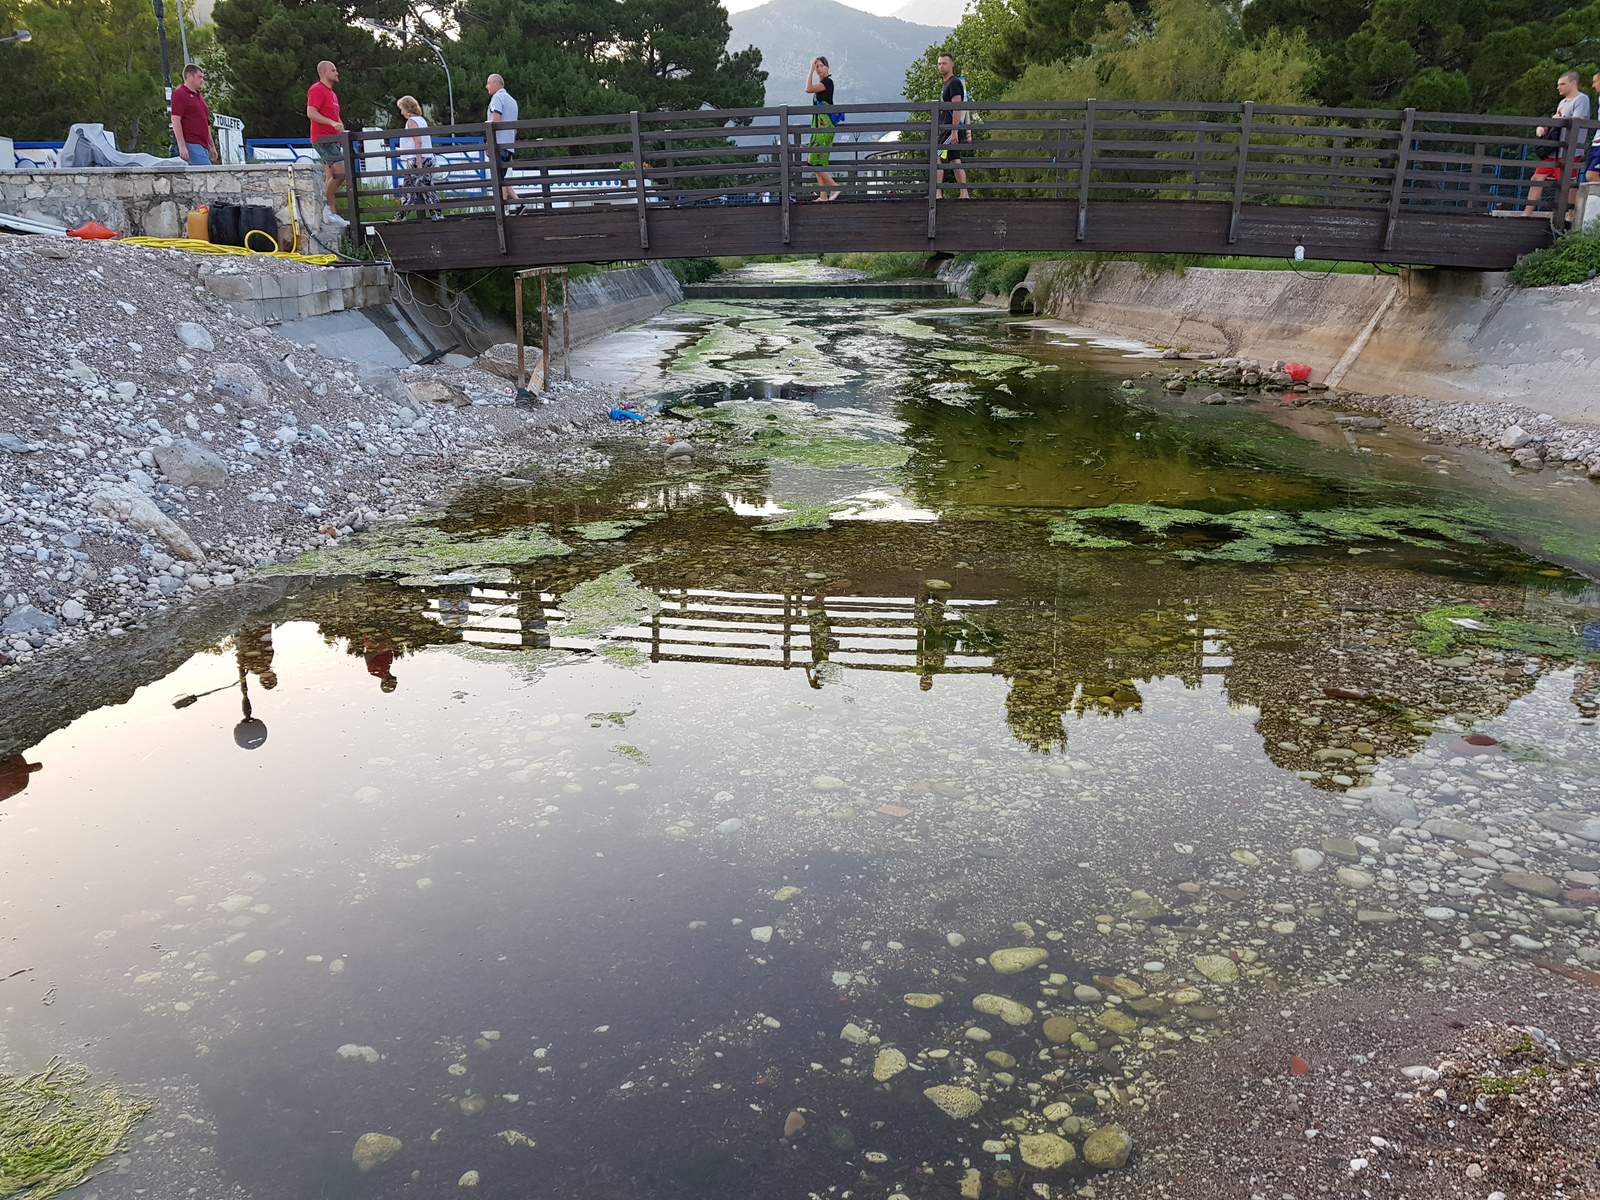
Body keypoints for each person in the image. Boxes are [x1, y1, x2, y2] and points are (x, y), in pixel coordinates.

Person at [1524, 70, 1590, 215]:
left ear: (1573, 83)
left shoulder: (1581, 99)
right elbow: (1556, 121)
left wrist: (1556, 120)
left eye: (1562, 84)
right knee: (1537, 177)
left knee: (1568, 182)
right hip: (1554, 149)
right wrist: (1544, 127)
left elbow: (1577, 121)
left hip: (1570, 149)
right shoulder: (1562, 102)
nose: (1558, 87)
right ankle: (1527, 213)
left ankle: (1571, 215)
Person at [306, 60, 350, 229]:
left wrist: (341, 131)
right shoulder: (317, 89)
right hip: (323, 139)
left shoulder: (331, 93)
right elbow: (311, 112)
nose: (337, 73)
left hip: (333, 139)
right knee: (343, 171)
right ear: (324, 72)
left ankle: (330, 213)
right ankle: (326, 204)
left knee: (331, 176)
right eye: (333, 70)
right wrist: (332, 124)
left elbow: (336, 116)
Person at [395, 95, 439, 219]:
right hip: (426, 157)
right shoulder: (421, 120)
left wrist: (418, 162)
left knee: (409, 188)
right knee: (427, 188)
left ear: (407, 108)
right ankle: (436, 214)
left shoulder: (411, 122)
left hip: (415, 158)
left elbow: (417, 141)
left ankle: (401, 216)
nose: (401, 112)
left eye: (402, 108)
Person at [805, 57, 840, 201]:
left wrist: (810, 71)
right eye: (816, 66)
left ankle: (834, 187)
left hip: (824, 127)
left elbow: (808, 89)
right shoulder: (823, 83)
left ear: (827, 67)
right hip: (819, 127)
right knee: (818, 161)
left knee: (813, 161)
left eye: (820, 66)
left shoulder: (827, 83)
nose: (818, 68)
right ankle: (823, 195)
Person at [936, 52, 970, 200]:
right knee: (954, 159)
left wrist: (954, 131)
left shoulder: (954, 83)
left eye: (944, 63)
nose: (941, 66)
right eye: (939, 64)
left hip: (951, 129)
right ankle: (964, 193)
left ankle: (937, 193)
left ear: (952, 64)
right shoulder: (946, 84)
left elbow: (957, 107)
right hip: (948, 128)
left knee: (936, 155)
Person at [486, 74, 520, 206]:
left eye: (488, 83)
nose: (486, 86)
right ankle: (517, 204)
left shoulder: (497, 98)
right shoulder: (512, 101)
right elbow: (514, 128)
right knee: (502, 179)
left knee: (497, 180)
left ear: (496, 84)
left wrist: (489, 143)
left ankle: (503, 211)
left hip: (498, 144)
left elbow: (495, 121)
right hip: (508, 145)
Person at [169, 63, 213, 166]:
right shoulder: (180, 94)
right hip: (191, 143)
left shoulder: (199, 96)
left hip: (202, 144)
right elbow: (175, 120)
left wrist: (211, 145)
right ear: (189, 76)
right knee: (208, 174)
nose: (202, 80)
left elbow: (205, 122)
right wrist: (182, 146)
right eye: (199, 77)